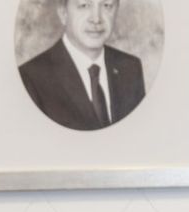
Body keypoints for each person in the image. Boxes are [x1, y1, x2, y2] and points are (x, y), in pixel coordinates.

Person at [18, 0, 145, 131]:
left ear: (116, 10)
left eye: (107, 5)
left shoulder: (130, 68)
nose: (96, 19)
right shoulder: (31, 78)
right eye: (84, 5)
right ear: (63, 13)